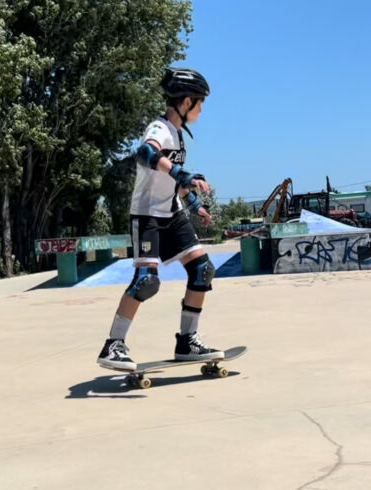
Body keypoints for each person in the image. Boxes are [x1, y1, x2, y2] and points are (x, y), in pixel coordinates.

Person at [97, 67, 222, 371]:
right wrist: (179, 171)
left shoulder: (178, 136)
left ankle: (187, 341)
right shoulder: (160, 128)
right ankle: (113, 345)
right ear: (187, 101)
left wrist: (193, 202)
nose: (202, 109)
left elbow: (172, 184)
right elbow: (145, 154)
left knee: (202, 269)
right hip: (147, 214)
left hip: (173, 214)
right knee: (147, 282)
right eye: (200, 102)